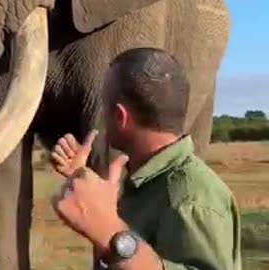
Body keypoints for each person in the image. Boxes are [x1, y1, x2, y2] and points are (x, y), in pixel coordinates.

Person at [50, 47, 241, 270]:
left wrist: (110, 231)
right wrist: (84, 179)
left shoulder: (191, 200)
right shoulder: (145, 184)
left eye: (105, 104)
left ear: (121, 117)